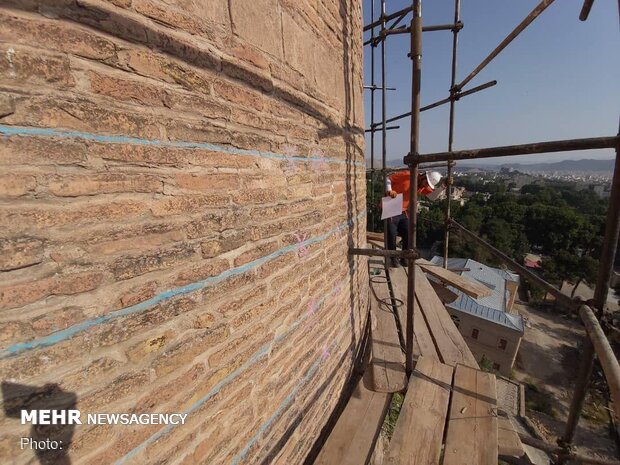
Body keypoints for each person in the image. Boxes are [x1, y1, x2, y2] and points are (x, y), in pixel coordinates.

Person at [384, 170, 443, 267]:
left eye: (428, 184)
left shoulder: (421, 186)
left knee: (409, 232)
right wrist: (389, 190)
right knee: (391, 233)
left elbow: (431, 197)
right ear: (423, 176)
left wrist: (442, 187)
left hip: (404, 209)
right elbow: (388, 178)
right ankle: (393, 258)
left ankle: (405, 257)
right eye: (426, 183)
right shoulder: (407, 175)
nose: (426, 186)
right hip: (392, 205)